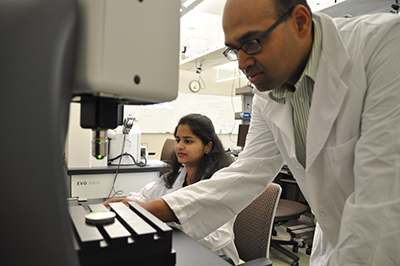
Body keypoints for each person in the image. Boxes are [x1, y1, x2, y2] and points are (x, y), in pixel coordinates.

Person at [131, 1, 400, 265]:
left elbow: (382, 205)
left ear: (300, 22)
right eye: (235, 50)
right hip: (335, 240)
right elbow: (248, 172)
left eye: (251, 43)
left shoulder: (385, 45)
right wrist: (150, 210)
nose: (242, 63)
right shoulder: (268, 92)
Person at [103, 113, 239, 265]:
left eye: (188, 141)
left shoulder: (219, 185)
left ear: (208, 146)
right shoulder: (174, 177)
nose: (180, 146)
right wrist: (129, 203)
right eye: (178, 140)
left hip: (213, 258)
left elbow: (216, 239)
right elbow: (144, 196)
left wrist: (167, 216)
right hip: (178, 250)